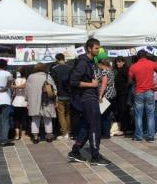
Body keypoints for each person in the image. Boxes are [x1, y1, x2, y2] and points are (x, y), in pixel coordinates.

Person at [68, 38, 110, 166]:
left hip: (91, 96)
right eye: (96, 48)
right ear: (89, 49)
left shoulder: (91, 62)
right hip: (87, 98)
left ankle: (75, 151)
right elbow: (73, 82)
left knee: (87, 126)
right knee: (94, 126)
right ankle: (95, 156)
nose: (98, 50)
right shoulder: (83, 62)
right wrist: (92, 85)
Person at [128, 50, 157, 142]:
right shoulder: (152, 64)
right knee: (150, 115)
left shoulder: (133, 66)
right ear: (146, 56)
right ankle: (150, 136)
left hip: (139, 92)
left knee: (138, 115)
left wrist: (136, 82)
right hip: (150, 91)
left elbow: (129, 81)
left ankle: (138, 136)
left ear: (138, 57)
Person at [50, 53, 73, 140]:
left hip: (59, 94)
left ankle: (64, 133)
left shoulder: (54, 69)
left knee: (61, 114)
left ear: (57, 59)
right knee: (68, 114)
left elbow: (52, 82)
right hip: (69, 94)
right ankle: (69, 132)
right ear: (64, 58)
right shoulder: (70, 68)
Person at [95, 52, 116, 139]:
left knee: (102, 115)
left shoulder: (104, 72)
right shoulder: (110, 70)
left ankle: (104, 133)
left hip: (106, 95)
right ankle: (106, 133)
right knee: (107, 115)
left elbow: (103, 84)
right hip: (111, 94)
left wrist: (100, 96)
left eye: (98, 65)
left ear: (101, 64)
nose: (97, 67)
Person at [114, 57, 131, 135]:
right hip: (121, 94)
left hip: (124, 94)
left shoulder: (124, 70)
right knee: (123, 111)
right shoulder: (120, 70)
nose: (117, 63)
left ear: (123, 62)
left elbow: (129, 80)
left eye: (119, 62)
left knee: (123, 111)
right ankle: (126, 128)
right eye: (117, 62)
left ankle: (125, 129)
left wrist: (125, 88)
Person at [12, 67, 28, 141]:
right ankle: (23, 135)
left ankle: (17, 135)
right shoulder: (27, 80)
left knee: (17, 119)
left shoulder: (16, 80)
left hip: (16, 101)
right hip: (24, 102)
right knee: (24, 118)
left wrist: (14, 86)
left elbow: (14, 92)